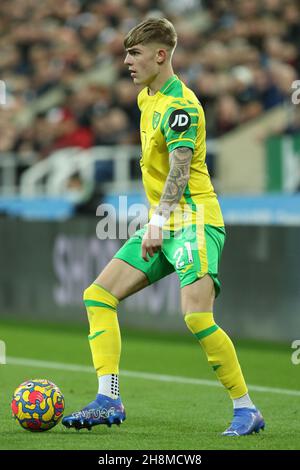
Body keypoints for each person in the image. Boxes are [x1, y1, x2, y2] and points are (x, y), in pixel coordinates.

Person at [62, 17, 265, 436]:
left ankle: (246, 408)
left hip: (193, 220)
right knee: (98, 295)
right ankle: (108, 398)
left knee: (196, 317)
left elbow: (180, 168)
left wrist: (156, 222)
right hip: (165, 222)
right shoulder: (145, 99)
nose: (126, 62)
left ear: (160, 55)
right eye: (125, 53)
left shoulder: (180, 107)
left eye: (134, 54)